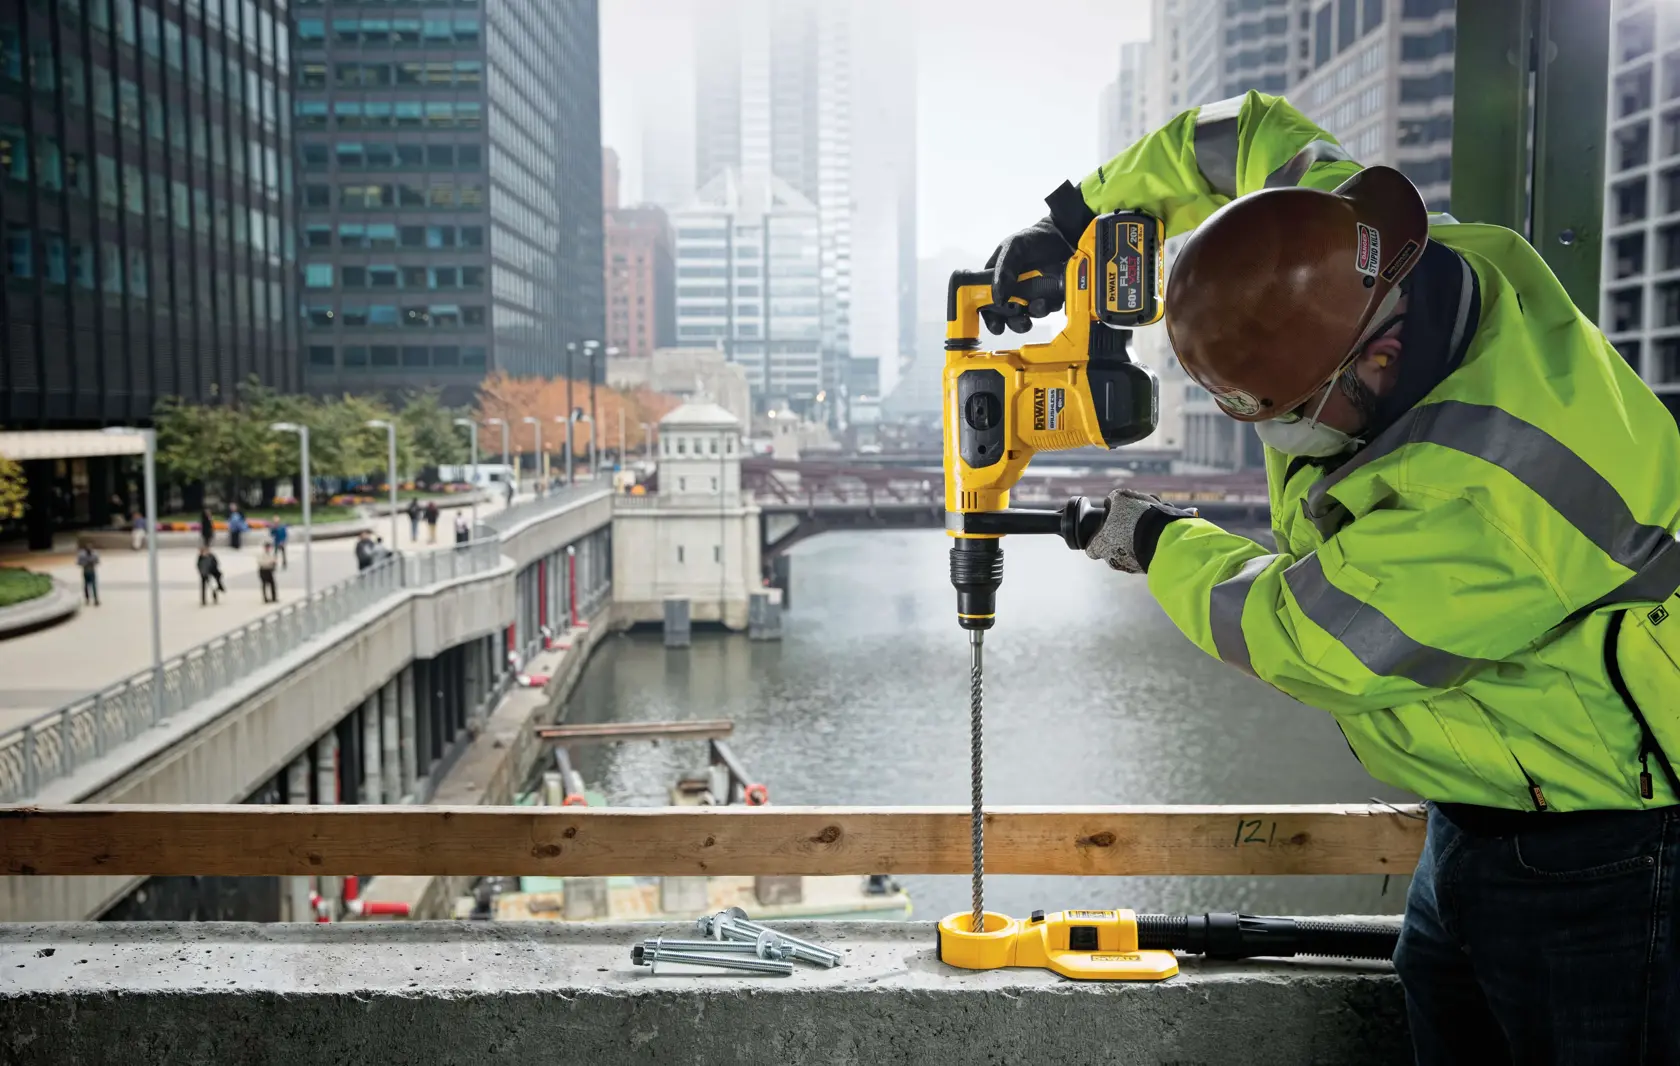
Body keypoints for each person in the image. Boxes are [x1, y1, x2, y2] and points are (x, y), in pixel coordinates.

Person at [990, 91, 1680, 1062]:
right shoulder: (1346, 251)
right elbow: (1232, 135)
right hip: (1481, 808)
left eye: (1275, 415)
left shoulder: (1488, 494)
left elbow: (1300, 635)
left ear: (1375, 360)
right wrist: (1072, 220)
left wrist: (1155, 542)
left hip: (1603, 845)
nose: (1272, 441)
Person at [75, 540, 99, 607]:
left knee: (93, 585)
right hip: (86, 571)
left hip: (92, 571)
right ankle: (87, 598)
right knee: (86, 586)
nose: (89, 550)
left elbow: (97, 561)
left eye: (90, 548)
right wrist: (85, 563)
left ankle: (95, 599)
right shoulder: (82, 555)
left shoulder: (94, 554)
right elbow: (78, 563)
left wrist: (93, 563)